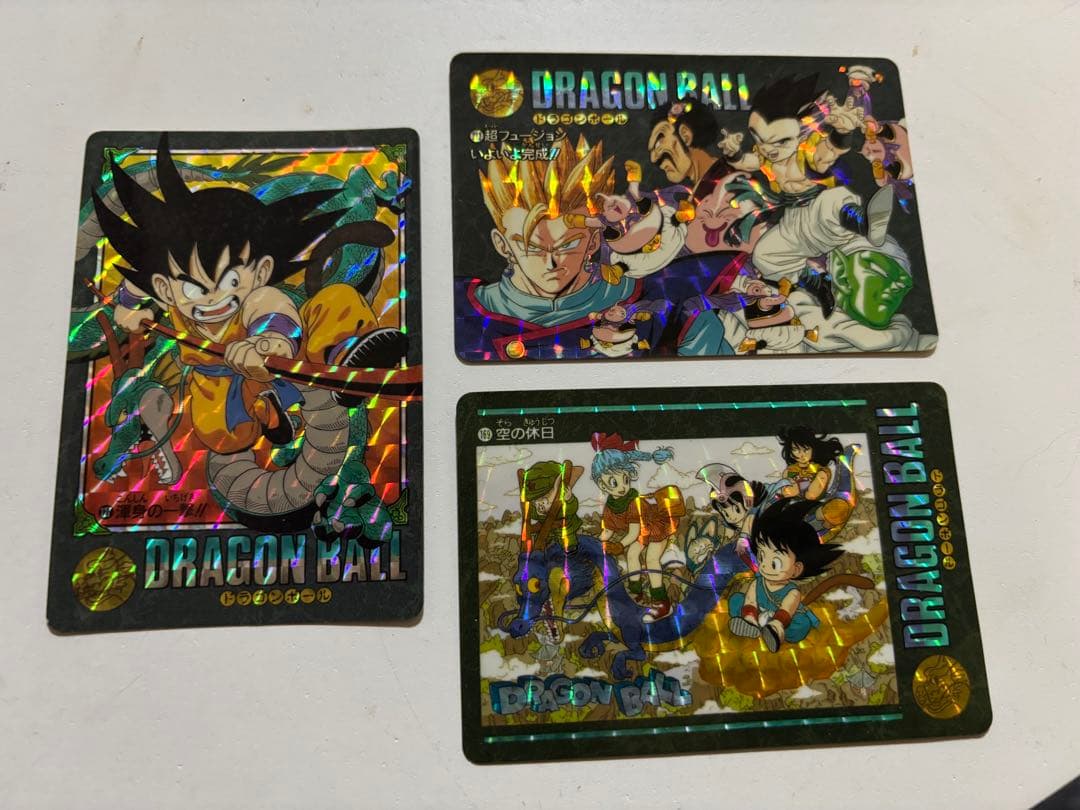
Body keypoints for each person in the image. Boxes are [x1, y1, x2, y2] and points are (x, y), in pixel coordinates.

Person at [95, 133, 400, 455]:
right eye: (193, 287)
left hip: (291, 349)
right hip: (217, 377)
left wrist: (269, 342)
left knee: (338, 299)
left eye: (229, 281)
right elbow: (138, 282)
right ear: (164, 287)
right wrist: (127, 307)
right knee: (219, 435)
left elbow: (271, 309)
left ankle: (344, 354)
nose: (212, 297)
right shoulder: (165, 283)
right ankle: (267, 412)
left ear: (261, 271)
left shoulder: (258, 297)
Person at [727, 498, 844, 652]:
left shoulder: (792, 592)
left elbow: (786, 610)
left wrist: (777, 623)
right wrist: (749, 615)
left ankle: (774, 632)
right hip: (757, 613)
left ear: (796, 569)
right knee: (736, 600)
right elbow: (750, 600)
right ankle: (750, 625)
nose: (764, 565)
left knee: (801, 624)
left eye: (775, 563)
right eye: (761, 556)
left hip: (783, 619)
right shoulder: (758, 582)